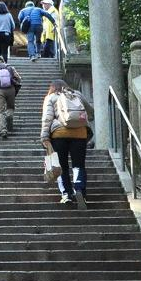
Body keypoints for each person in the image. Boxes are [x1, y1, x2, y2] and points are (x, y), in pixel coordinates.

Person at [41, 78, 92, 207]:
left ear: (52, 87)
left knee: (61, 166)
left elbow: (47, 118)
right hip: (80, 134)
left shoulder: (51, 97)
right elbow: (90, 110)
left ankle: (66, 194)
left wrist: (44, 137)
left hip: (59, 134)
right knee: (78, 165)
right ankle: (79, 189)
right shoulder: (77, 94)